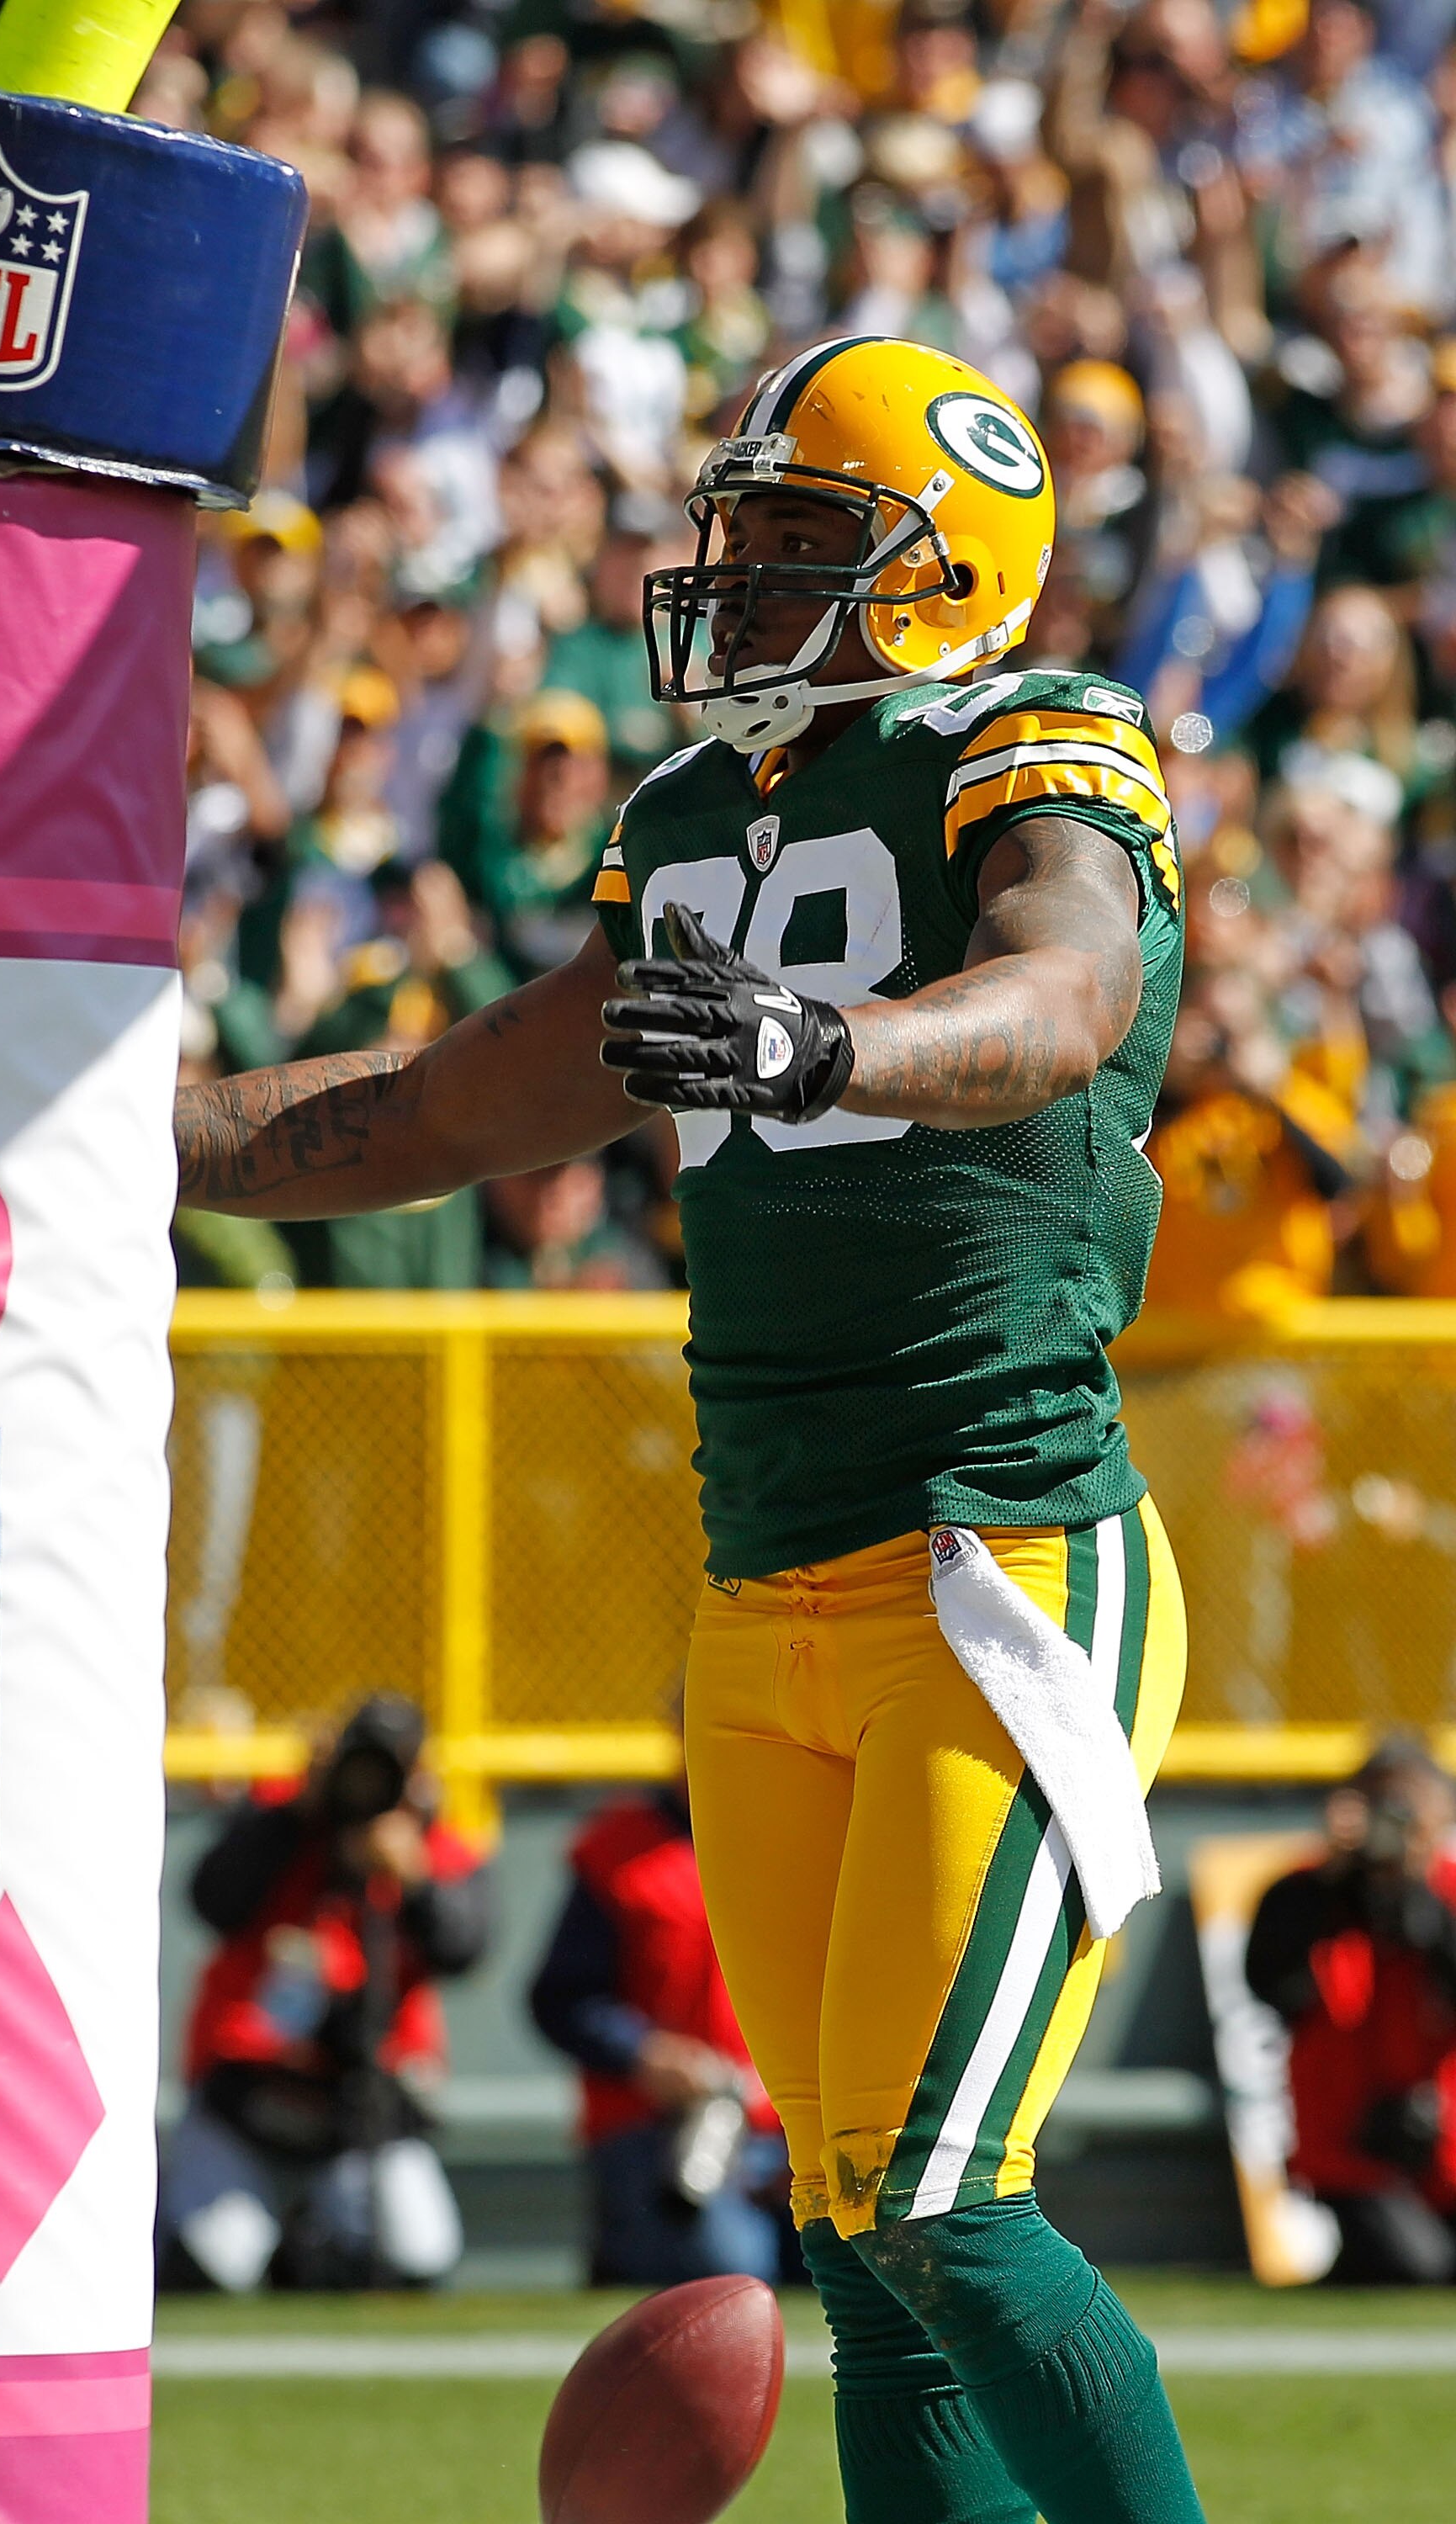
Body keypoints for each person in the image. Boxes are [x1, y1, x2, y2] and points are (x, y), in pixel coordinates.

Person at [175, 337, 1205, 2524]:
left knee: (942, 2193)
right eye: (739, 533)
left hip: (997, 1559)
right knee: (856, 2243)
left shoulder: (1031, 742)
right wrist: (116, 1137)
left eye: (801, 540)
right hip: (766, 1594)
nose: (736, 579)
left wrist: (823, 1046)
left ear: (942, 575)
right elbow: (435, 1110)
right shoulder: (691, 828)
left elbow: (1064, 995)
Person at [161, 1693, 492, 2292]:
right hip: (252, 2086)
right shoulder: (279, 1821)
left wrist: (412, 1879)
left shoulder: (432, 1846)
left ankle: (308, 2237)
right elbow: (211, 1900)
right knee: (216, 2263)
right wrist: (298, 1814)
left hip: (362, 2100)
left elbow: (464, 1946)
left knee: (416, 2254)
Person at [530, 1771, 792, 2286]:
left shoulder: (812, 1826)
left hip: (793, 2124)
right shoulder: (620, 1847)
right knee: (728, 2273)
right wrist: (642, 2053)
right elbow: (562, 1998)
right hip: (662, 2121)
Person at [1245, 1739, 1456, 2283]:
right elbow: (1271, 1985)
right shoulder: (1307, 1891)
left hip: (1446, 2133)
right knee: (1413, 2263)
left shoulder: (1446, 1893)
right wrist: (1332, 1883)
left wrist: (1415, 1890)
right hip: (1347, 2141)